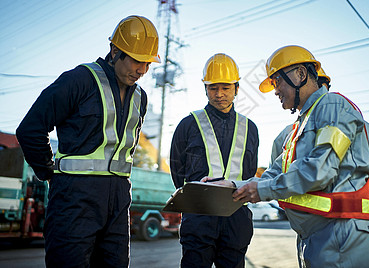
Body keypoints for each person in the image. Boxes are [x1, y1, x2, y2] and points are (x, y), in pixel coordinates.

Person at [209, 45, 369, 267]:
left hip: (340, 234)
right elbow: (270, 176)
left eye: (277, 82)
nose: (275, 91)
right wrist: (232, 185)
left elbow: (321, 169)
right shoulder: (298, 129)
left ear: (300, 75)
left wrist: (363, 204)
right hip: (316, 237)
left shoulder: (332, 105)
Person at [16, 15, 160, 267]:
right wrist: (48, 173)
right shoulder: (79, 80)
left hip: (118, 200)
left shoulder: (141, 97)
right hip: (74, 197)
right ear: (115, 51)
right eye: (137, 61)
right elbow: (30, 128)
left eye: (148, 63)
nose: (142, 70)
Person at [170, 53, 259, 268]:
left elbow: (250, 170)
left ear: (236, 88)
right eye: (213, 88)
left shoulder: (250, 128)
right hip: (199, 215)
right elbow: (176, 168)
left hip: (236, 216)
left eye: (226, 88)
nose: (219, 94)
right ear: (205, 89)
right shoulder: (188, 124)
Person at [270, 67, 369, 210]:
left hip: (341, 222)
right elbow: (274, 177)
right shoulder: (286, 136)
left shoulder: (346, 118)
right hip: (310, 226)